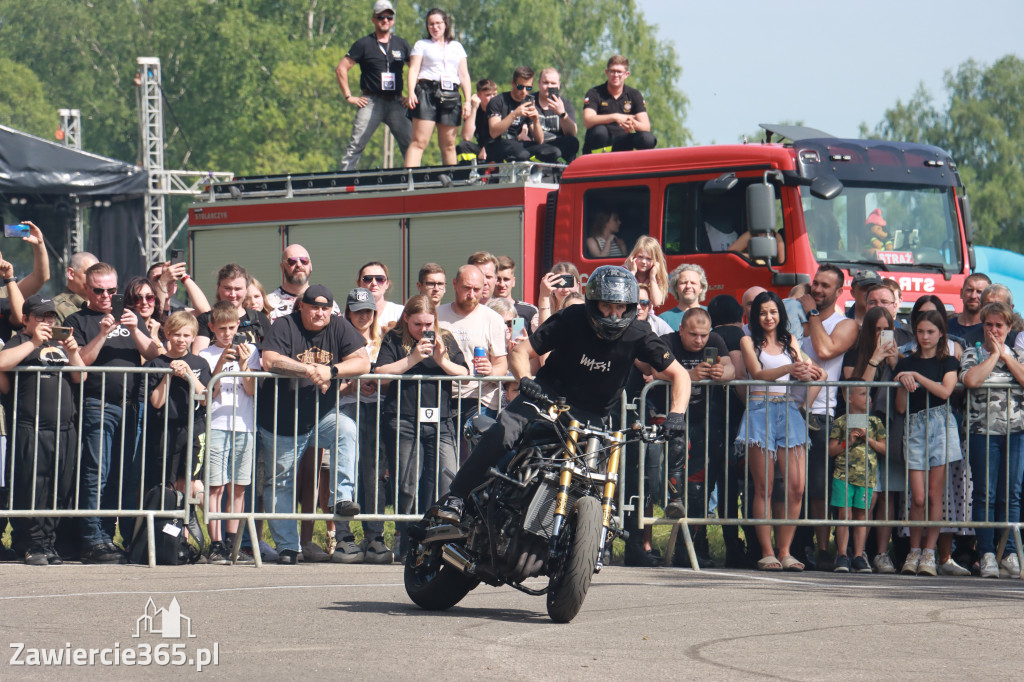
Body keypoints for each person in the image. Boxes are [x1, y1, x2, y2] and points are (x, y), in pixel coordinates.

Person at [438, 265, 691, 522]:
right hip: (545, 399)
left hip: (593, 416)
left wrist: (676, 415)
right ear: (593, 303)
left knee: (592, 478)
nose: (614, 315)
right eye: (606, 306)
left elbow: (680, 375)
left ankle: (587, 535)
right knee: (504, 432)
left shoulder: (638, 333)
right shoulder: (572, 318)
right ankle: (456, 497)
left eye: (620, 307)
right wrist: (525, 379)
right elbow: (520, 352)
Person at [257, 285, 370, 564]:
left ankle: (341, 499)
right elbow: (269, 359)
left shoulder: (339, 326)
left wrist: (331, 370)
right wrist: (308, 369)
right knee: (281, 482)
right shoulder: (285, 325)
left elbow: (363, 362)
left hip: (320, 417)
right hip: (281, 420)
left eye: (325, 308)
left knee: (347, 428)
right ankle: (287, 547)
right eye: (314, 307)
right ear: (302, 307)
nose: (320, 313)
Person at [68, 262, 162, 563]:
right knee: (97, 473)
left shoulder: (131, 317)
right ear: (87, 289)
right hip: (98, 404)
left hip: (131, 406)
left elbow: (152, 352)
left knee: (121, 477)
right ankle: (91, 537)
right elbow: (80, 361)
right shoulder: (78, 320)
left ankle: (107, 535)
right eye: (100, 290)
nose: (107, 296)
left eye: (112, 290)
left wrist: (134, 328)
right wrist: (103, 334)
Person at [375, 295, 469, 553]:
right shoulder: (395, 337)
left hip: (440, 419)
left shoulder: (444, 337)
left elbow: (465, 373)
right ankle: (406, 540)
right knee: (407, 484)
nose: (424, 330)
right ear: (406, 318)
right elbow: (380, 372)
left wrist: (442, 361)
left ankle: (437, 539)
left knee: (447, 477)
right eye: (418, 324)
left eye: (429, 324)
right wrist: (413, 359)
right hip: (403, 419)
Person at [737, 291, 822, 572]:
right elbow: (758, 373)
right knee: (765, 487)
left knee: (796, 487)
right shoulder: (747, 340)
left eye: (773, 312)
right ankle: (767, 551)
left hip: (788, 411)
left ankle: (785, 551)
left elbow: (811, 369)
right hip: (760, 410)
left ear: (780, 314)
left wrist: (812, 373)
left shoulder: (791, 341)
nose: (768, 317)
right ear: (755, 316)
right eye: (762, 312)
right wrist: (792, 367)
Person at [0, 295, 83, 565]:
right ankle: (30, 542)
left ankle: (48, 542)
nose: (47, 322)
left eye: (50, 317)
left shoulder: (59, 345)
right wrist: (34, 342)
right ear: (25, 320)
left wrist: (72, 352)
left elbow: (81, 376)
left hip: (64, 429)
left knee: (59, 486)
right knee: (30, 486)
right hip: (30, 427)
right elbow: (1, 363)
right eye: (40, 317)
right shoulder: (20, 342)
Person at [661, 308, 734, 568]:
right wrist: (687, 376)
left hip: (704, 422)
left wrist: (720, 373)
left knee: (699, 487)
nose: (699, 341)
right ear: (681, 329)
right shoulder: (667, 342)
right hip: (671, 420)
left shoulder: (715, 341)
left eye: (704, 335)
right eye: (693, 334)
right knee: (668, 484)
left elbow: (731, 369)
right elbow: (654, 371)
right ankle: (664, 545)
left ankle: (693, 546)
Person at [798, 265, 859, 571]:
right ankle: (794, 545)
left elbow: (824, 349)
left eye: (824, 286)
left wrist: (811, 314)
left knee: (819, 488)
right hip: (787, 408)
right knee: (792, 486)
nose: (817, 290)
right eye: (815, 284)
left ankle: (824, 550)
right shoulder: (798, 314)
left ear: (838, 292)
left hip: (820, 414)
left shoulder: (845, 324)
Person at [895, 309, 962, 576]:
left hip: (941, 424)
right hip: (914, 426)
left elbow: (945, 391)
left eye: (930, 332)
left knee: (936, 495)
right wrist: (902, 380)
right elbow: (901, 407)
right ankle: (913, 550)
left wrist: (918, 378)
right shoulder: (904, 363)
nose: (925, 337)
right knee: (918, 497)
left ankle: (929, 553)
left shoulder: (948, 362)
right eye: (920, 331)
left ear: (941, 333)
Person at [961, 301, 1024, 579]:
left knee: (1011, 495)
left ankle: (1009, 552)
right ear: (983, 326)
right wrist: (992, 356)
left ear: (1009, 328)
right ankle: (986, 552)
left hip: (1015, 433)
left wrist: (1006, 356)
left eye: (1000, 325)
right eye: (989, 325)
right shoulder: (971, 353)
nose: (994, 330)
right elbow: (972, 381)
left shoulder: (1018, 355)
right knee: (984, 493)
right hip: (981, 433)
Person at [198, 301, 260, 565]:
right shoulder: (205, 354)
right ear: (211, 327)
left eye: (232, 328)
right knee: (216, 487)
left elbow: (251, 390)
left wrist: (245, 364)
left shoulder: (252, 351)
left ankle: (234, 544)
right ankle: (216, 543)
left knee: (238, 488)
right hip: (216, 425)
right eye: (221, 328)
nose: (227, 334)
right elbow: (208, 392)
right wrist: (222, 362)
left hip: (244, 426)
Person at [843, 306, 903, 574]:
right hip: (861, 425)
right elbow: (858, 392)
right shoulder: (855, 354)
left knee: (887, 491)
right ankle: (858, 551)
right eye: (876, 329)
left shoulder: (899, 357)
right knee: (864, 492)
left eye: (885, 329)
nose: (881, 334)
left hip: (890, 426)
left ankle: (882, 553)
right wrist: (875, 359)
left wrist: (894, 363)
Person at [334, 287, 390, 564]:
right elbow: (332, 379)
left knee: (374, 474)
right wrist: (350, 385)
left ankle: (375, 535)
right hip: (347, 410)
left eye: (367, 311)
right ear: (348, 313)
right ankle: (343, 535)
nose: (363, 316)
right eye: (357, 312)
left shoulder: (383, 339)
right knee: (346, 472)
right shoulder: (339, 339)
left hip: (377, 409)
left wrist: (377, 381)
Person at [142, 311, 210, 519]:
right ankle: (168, 534)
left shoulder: (200, 364)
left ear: (193, 337)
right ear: (168, 334)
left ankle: (188, 533)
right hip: (165, 431)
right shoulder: (156, 364)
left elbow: (205, 398)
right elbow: (156, 401)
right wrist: (169, 376)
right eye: (177, 335)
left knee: (190, 482)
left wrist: (188, 372)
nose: (182, 340)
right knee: (168, 484)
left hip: (194, 428)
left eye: (187, 335)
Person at [336, 0, 413, 171]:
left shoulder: (401, 44)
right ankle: (342, 185)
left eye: (389, 17)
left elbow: (416, 70)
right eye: (381, 17)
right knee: (356, 144)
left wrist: (413, 95)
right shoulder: (364, 44)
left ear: (393, 19)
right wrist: (349, 96)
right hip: (371, 101)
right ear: (373, 19)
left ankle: (414, 183)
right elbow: (341, 68)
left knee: (411, 145)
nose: (385, 20)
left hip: (396, 102)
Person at [436, 265, 507, 423]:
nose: (471, 295)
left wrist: (491, 370)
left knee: (474, 448)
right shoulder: (436, 315)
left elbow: (502, 365)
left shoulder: (493, 319)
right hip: (441, 396)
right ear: (455, 284)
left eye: (477, 289)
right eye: (466, 288)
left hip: (480, 399)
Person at [828, 385, 886, 573]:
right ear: (849, 398)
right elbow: (831, 450)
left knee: (862, 515)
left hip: (866, 479)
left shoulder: (875, 422)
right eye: (862, 394)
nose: (868, 398)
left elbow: (885, 449)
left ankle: (859, 556)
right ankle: (842, 555)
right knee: (844, 515)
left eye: (869, 394)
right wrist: (848, 441)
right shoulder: (841, 422)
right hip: (842, 477)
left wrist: (869, 439)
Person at [404, 8, 472, 167]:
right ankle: (408, 182)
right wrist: (411, 92)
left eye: (438, 23)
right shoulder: (422, 45)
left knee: (448, 144)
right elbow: (413, 70)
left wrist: (468, 101)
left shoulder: (456, 47)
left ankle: (451, 181)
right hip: (427, 91)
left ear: (445, 24)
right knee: (419, 141)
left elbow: (464, 75)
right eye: (430, 24)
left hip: (451, 94)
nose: (435, 27)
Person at [581, 55, 656, 155]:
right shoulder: (594, 93)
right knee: (600, 131)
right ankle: (599, 162)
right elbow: (587, 121)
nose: (615, 75)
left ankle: (637, 164)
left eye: (619, 72)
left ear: (626, 74)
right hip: (601, 145)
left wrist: (632, 124)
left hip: (624, 143)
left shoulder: (634, 94)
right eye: (612, 71)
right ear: (607, 73)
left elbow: (646, 126)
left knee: (647, 138)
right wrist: (615, 117)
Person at [484, 66, 559, 164]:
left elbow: (540, 140)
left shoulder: (527, 103)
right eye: (520, 87)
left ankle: (536, 171)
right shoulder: (498, 101)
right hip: (497, 144)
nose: (524, 91)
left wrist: (536, 121)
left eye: (528, 88)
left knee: (554, 152)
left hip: (516, 144)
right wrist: (515, 114)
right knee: (522, 154)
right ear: (513, 84)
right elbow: (494, 132)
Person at [193, 263, 272, 354]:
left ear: (246, 290)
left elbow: (270, 357)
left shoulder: (259, 319)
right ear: (218, 288)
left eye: (238, 289)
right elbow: (199, 359)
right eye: (228, 288)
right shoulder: (206, 320)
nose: (233, 295)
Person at [267, 244, 340, 320]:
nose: (298, 264)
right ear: (282, 267)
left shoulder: (326, 302)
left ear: (311, 266)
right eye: (292, 261)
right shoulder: (268, 304)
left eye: (304, 261)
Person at [534, 68, 579, 162]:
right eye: (545, 83)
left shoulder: (565, 103)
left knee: (573, 142)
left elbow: (572, 133)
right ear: (539, 83)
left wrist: (562, 114)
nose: (549, 86)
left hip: (557, 144)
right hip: (536, 144)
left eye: (553, 83)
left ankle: (566, 172)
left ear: (559, 85)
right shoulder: (530, 101)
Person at [455, 79, 497, 164]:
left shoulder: (501, 108)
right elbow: (466, 137)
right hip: (481, 149)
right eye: (488, 95)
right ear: (479, 96)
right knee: (463, 146)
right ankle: (468, 173)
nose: (492, 98)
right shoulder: (475, 110)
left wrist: (487, 148)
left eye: (494, 94)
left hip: (498, 147)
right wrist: (474, 108)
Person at [53, 251, 98, 324]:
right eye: (89, 273)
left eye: (98, 274)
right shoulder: (56, 308)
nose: (95, 279)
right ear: (71, 273)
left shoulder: (102, 305)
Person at [124, 276, 165, 355]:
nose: (144, 302)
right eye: (138, 298)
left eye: (149, 297)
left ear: (155, 300)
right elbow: (144, 362)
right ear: (129, 301)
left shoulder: (163, 326)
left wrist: (155, 337)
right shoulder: (124, 329)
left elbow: (165, 363)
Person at [660, 264, 707, 331]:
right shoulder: (664, 320)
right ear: (676, 287)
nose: (688, 286)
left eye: (693, 283)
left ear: (701, 288)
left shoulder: (712, 314)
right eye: (683, 283)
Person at [357, 261, 404, 327]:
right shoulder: (349, 317)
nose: (374, 283)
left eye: (380, 279)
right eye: (367, 279)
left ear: (387, 284)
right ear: (359, 284)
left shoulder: (400, 313)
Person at [494, 255, 538, 326]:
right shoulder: (485, 310)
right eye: (498, 279)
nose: (502, 284)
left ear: (513, 281)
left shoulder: (529, 311)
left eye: (506, 279)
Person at [947, 272, 991, 342]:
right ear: (961, 293)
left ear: (988, 297)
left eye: (979, 292)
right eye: (969, 290)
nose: (973, 296)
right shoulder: (946, 327)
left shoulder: (990, 330)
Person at [534, 262, 581, 328]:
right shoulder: (538, 318)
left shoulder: (588, 311)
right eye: (560, 284)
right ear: (551, 286)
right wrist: (544, 296)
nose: (565, 290)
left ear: (578, 286)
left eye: (569, 284)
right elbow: (544, 335)